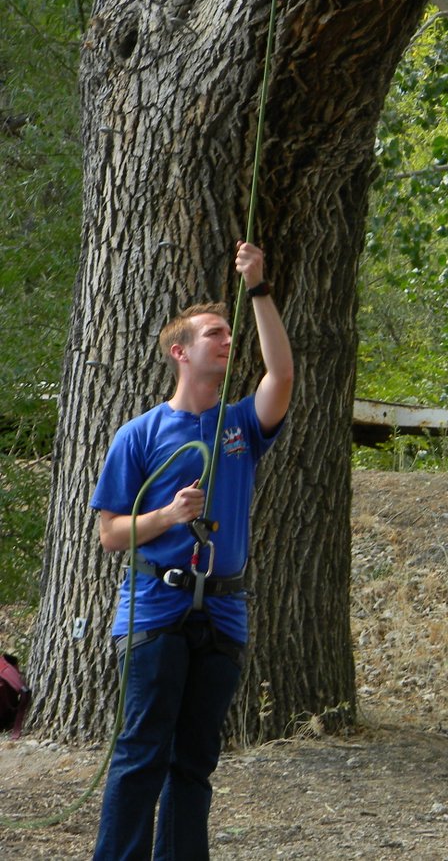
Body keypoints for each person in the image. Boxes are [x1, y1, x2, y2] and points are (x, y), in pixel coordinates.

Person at [90, 241, 293, 860]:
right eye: (213, 333)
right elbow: (110, 534)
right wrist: (169, 515)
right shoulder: (140, 435)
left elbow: (282, 376)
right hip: (155, 610)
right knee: (141, 754)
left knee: (195, 762)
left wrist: (257, 287)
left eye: (229, 332)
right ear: (180, 352)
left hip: (223, 614)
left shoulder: (240, 425)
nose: (227, 340)